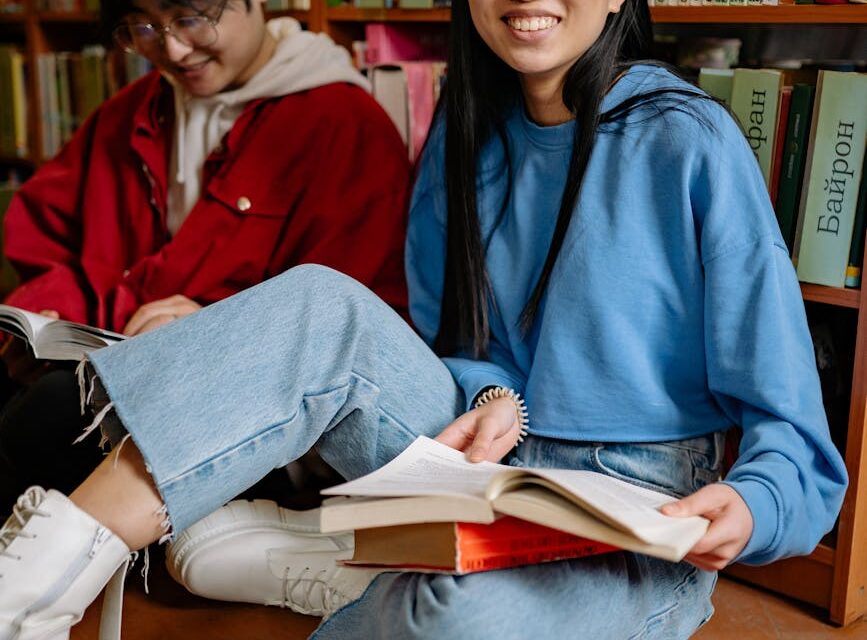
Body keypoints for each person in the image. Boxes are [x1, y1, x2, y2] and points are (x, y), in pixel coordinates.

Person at [0, 0, 850, 635]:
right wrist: (488, 401)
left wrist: (753, 503)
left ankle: (373, 573)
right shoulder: (466, 125)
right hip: (484, 461)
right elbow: (449, 341)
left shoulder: (688, 140)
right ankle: (30, 592)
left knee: (455, 617)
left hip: (635, 517)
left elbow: (795, 438)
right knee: (318, 302)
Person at [0, 0, 410, 510]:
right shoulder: (138, 107)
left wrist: (213, 333)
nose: (170, 48)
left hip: (249, 418)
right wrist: (46, 316)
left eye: (192, 18)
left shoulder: (344, 125)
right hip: (112, 358)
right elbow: (52, 232)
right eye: (143, 25)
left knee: (48, 417)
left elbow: (353, 330)